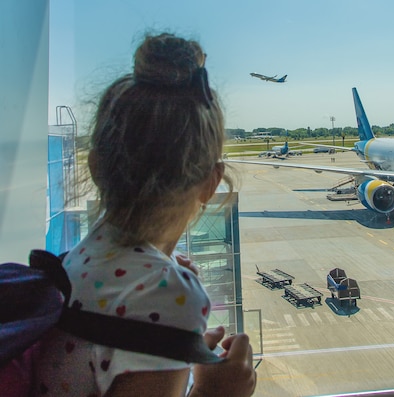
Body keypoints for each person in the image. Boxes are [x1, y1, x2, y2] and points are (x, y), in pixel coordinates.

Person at [33, 33, 256, 396]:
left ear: (94, 166)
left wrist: (178, 336)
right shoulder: (163, 294)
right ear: (211, 183)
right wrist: (217, 392)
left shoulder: (75, 260)